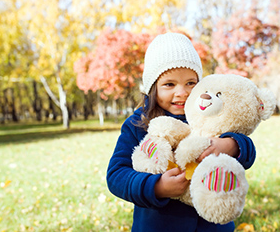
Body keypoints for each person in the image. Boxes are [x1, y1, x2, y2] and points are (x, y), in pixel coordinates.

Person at [106, 32, 256, 232]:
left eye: (190, 83)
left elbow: (248, 152)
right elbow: (116, 175)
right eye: (169, 84)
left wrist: (230, 145)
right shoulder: (137, 124)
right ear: (153, 87)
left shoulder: (210, 113)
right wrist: (157, 187)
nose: (182, 92)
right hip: (159, 225)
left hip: (213, 225)